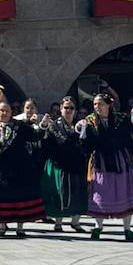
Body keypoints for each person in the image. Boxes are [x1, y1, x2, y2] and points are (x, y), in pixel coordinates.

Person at [79, 93, 133, 239]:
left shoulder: (121, 118)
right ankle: (97, 227)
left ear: (108, 105)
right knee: (100, 193)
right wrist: (81, 129)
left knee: (124, 191)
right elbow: (85, 141)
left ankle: (127, 229)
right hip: (101, 161)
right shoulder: (90, 120)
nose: (97, 107)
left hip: (120, 160)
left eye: (100, 103)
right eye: (95, 104)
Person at [0, 92, 46, 238]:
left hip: (18, 168)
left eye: (7, 111)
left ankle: (20, 227)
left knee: (20, 198)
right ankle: (2, 225)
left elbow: (35, 135)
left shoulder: (19, 126)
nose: (4, 113)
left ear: (12, 112)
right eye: (2, 110)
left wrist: (42, 126)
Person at [42, 97, 89, 232]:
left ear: (75, 110)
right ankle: (58, 223)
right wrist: (77, 134)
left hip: (78, 164)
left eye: (71, 108)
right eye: (66, 108)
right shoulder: (54, 125)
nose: (68, 110)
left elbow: (85, 143)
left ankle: (76, 222)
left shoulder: (79, 125)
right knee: (60, 193)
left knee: (78, 194)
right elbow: (62, 142)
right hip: (60, 164)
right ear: (61, 109)